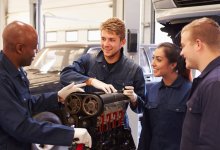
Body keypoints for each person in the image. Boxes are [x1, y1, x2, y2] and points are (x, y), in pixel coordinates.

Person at [0, 21, 92, 150]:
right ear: (20, 48)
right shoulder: (2, 79)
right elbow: (21, 127)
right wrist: (71, 134)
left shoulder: (17, 70)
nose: (36, 51)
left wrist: (57, 97)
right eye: (34, 47)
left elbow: (27, 104)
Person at [60, 17, 146, 148]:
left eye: (111, 40)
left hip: (117, 132)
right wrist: (91, 81)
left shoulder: (134, 70)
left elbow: (141, 107)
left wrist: (134, 98)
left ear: (122, 42)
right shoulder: (88, 60)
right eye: (103, 38)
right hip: (87, 130)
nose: (106, 44)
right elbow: (65, 74)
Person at [138, 42, 192, 150]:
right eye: (153, 58)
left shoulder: (190, 91)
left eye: (158, 59)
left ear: (173, 64)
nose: (153, 63)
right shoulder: (152, 90)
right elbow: (146, 132)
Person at [180, 17, 220, 150]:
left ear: (198, 44)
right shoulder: (209, 80)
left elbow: (211, 143)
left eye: (183, 46)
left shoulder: (214, 83)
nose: (181, 52)